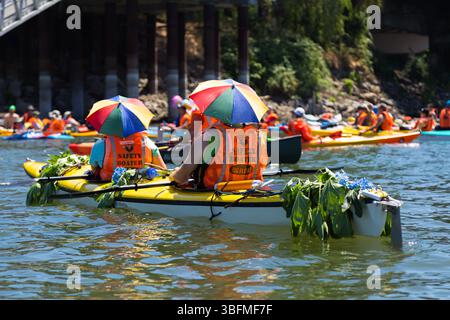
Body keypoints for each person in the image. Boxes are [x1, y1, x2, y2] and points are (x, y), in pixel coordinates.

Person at [169, 121, 268, 190]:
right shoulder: (259, 135)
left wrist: (174, 174)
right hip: (252, 191)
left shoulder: (209, 136)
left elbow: (181, 177)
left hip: (212, 193)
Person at [89, 131, 167, 181]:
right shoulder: (148, 142)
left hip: (109, 182)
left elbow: (94, 170)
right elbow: (163, 169)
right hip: (143, 182)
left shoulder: (100, 144)